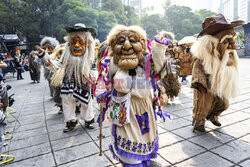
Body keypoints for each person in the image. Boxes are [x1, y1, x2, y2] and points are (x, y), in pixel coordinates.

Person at [98, 25, 178, 167]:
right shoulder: (112, 63)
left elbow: (159, 67)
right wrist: (101, 93)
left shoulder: (146, 61)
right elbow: (103, 81)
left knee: (145, 136)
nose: (127, 45)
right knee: (128, 144)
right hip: (122, 108)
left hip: (144, 107)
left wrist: (159, 48)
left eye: (132, 40)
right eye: (121, 41)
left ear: (141, 43)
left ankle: (144, 158)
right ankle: (133, 161)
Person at [37, 23, 96, 132]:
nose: (77, 46)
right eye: (74, 42)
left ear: (87, 43)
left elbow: (94, 69)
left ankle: (88, 120)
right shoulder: (66, 55)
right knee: (67, 101)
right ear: (69, 43)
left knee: (86, 101)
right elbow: (55, 65)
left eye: (80, 42)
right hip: (68, 82)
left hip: (83, 82)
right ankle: (70, 121)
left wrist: (92, 78)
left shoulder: (89, 56)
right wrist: (44, 56)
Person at [191, 14, 244, 132]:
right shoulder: (204, 50)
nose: (232, 44)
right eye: (227, 39)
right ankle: (199, 121)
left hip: (219, 82)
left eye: (232, 39)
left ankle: (213, 116)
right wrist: (200, 82)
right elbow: (197, 68)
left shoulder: (227, 50)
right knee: (203, 105)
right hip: (206, 83)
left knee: (223, 104)